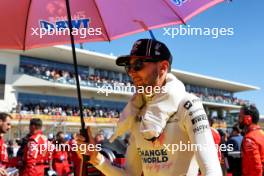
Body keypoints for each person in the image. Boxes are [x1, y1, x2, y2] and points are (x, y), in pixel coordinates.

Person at [78, 39, 222, 175]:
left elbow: (212, 171)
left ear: (163, 67)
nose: (132, 72)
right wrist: (95, 157)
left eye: (138, 65)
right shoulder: (136, 111)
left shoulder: (188, 104)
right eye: (129, 67)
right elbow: (129, 174)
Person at [239, 104, 264, 176]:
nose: (238, 120)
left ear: (248, 119)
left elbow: (256, 167)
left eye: (240, 117)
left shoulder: (249, 138)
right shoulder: (261, 133)